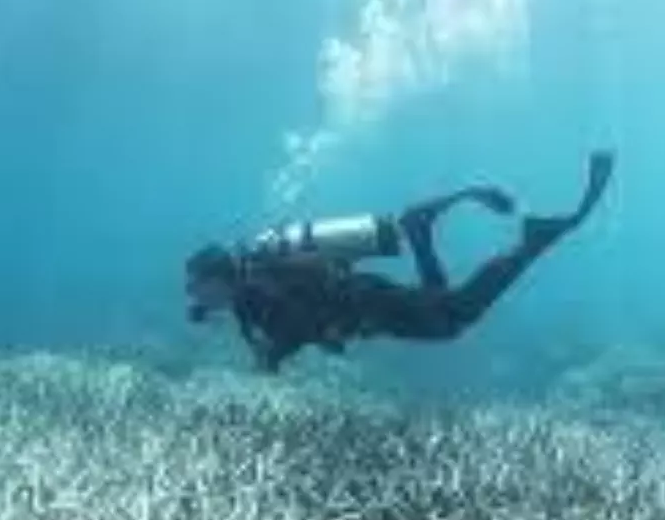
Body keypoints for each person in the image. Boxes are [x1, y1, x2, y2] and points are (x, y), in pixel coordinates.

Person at [184, 150, 616, 373]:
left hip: (371, 306)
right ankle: (419, 229)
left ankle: (531, 242)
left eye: (197, 286)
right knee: (438, 299)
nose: (193, 295)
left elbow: (297, 324)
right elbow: (295, 318)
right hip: (367, 301)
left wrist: (275, 354)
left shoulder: (255, 289)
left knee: (454, 319)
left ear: (217, 279)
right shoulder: (248, 289)